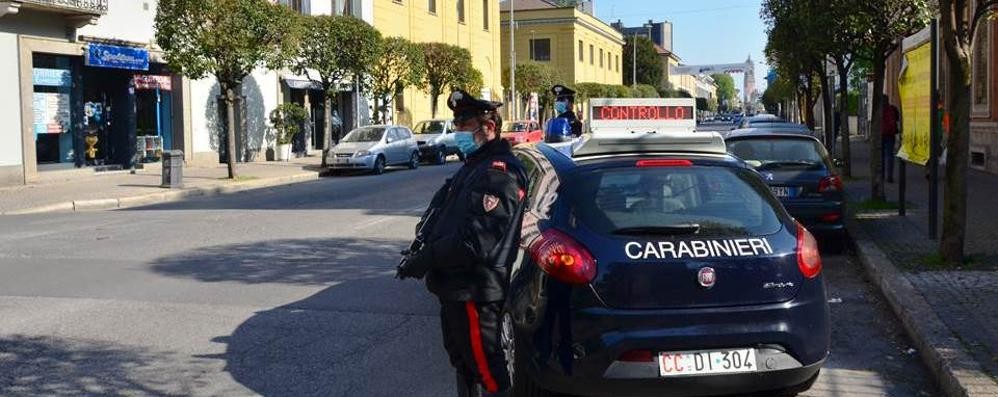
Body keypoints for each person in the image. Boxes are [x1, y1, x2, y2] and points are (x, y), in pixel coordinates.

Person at [396, 89, 529, 397]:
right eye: (456, 126)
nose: (458, 133)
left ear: (490, 127)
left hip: (474, 289)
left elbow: (475, 242)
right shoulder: (474, 165)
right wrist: (420, 247)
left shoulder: (500, 173)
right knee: (464, 363)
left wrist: (427, 259)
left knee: (488, 371)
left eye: (465, 127)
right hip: (454, 287)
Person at [881, 95, 901, 183]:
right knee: (890, 155)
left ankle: (881, 175)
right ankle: (890, 176)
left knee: (881, 156)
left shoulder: (878, 110)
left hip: (881, 134)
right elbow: (897, 119)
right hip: (890, 134)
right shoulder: (893, 108)